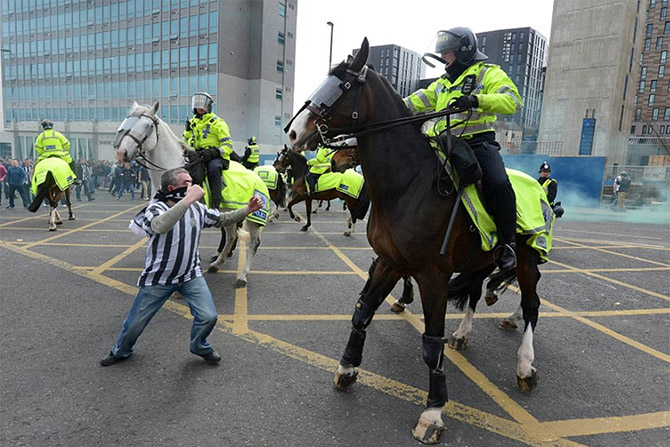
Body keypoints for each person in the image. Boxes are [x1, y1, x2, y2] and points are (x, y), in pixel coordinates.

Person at [100, 167, 263, 367]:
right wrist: (187, 200)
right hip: (159, 278)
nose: (192, 186)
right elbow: (159, 225)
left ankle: (199, 346)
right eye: (186, 183)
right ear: (171, 188)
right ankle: (121, 351)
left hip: (190, 275)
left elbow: (222, 219)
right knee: (135, 324)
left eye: (191, 182)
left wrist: (247, 210)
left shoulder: (197, 208)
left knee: (208, 317)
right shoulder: (156, 207)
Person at [404, 27, 522, 271]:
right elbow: (415, 102)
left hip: (478, 143)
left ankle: (508, 243)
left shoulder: (488, 73)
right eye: (443, 54)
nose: (444, 59)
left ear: (465, 51)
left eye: (448, 53)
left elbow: (512, 101)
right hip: (444, 144)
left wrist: (477, 100)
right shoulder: (442, 84)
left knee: (498, 183)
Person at [184, 92, 234, 209]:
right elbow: (186, 141)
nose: (200, 108)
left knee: (213, 169)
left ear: (209, 106)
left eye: (203, 105)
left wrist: (213, 152)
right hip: (199, 155)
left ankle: (216, 205)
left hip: (217, 156)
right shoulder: (193, 123)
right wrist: (187, 131)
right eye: (197, 105)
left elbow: (228, 146)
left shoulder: (218, 123)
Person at [34, 119, 80, 185]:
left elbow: (37, 147)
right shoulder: (57, 134)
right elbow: (67, 144)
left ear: (43, 127)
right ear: (52, 126)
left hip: (46, 155)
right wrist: (65, 150)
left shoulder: (41, 135)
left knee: (37, 166)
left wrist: (42, 153)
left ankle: (36, 180)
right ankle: (74, 178)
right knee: (71, 163)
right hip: (60, 154)